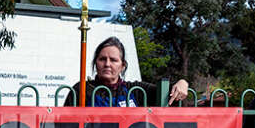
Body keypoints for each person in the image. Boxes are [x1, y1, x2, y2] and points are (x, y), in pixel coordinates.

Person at [61, 36, 189, 107]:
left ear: (123, 65)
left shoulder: (135, 90)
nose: (107, 64)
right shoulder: (81, 89)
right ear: (95, 63)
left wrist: (183, 83)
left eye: (113, 60)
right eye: (102, 59)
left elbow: (168, 93)